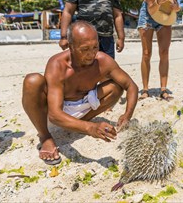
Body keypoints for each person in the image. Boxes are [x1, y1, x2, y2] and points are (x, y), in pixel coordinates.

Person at [22, 21, 138, 165]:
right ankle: (45, 137)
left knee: (117, 86)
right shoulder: (58, 65)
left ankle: (82, 122)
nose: (91, 54)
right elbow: (54, 115)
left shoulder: (102, 60)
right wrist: (91, 128)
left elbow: (131, 86)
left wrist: (127, 115)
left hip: (85, 106)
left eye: (95, 47)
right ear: (71, 46)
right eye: (85, 49)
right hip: (58, 112)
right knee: (32, 81)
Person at [137, 0, 183, 101]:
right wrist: (157, 2)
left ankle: (163, 89)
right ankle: (145, 89)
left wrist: (176, 7)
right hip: (148, 11)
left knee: (164, 52)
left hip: (166, 11)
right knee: (146, 53)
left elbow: (177, 4)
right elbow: (151, 8)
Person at [59, 0, 125, 59]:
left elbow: (117, 15)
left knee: (107, 66)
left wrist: (121, 38)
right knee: (84, 67)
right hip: (84, 36)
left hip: (106, 38)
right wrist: (64, 37)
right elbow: (68, 11)